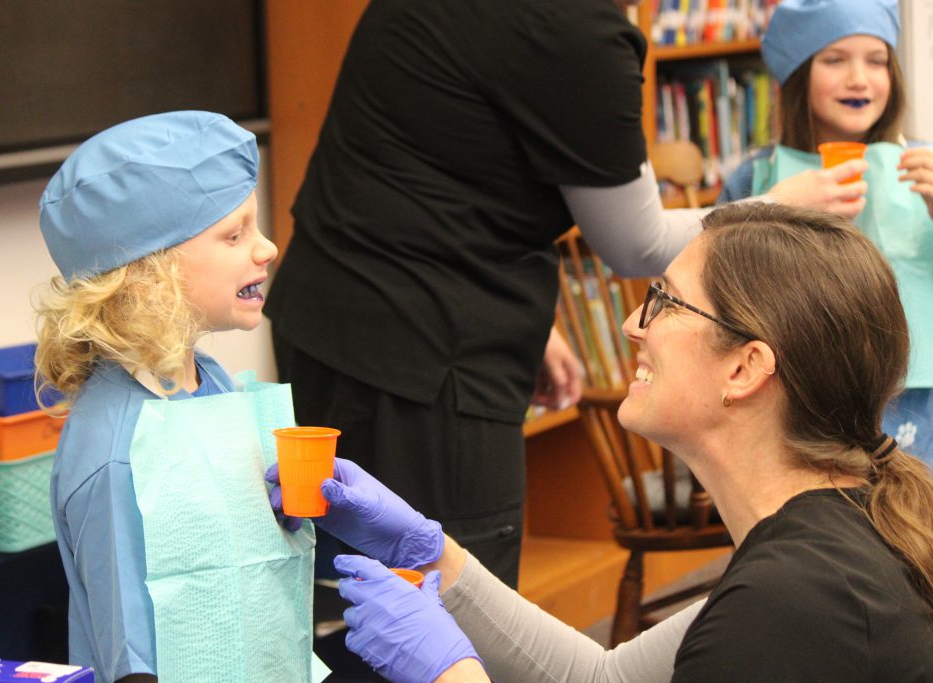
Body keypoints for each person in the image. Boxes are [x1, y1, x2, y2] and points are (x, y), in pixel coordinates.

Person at [263, 0, 867, 591]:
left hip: (330, 316)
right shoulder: (576, 35)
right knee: (435, 600)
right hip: (416, 363)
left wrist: (525, 321)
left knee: (345, 578)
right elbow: (637, 242)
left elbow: (439, 163)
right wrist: (776, 207)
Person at [269, 202, 933, 682]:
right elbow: (603, 678)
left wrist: (453, 675)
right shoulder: (839, 531)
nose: (631, 322)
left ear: (746, 367)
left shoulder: (787, 605)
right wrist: (435, 554)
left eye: (665, 302)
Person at [34, 112, 291, 682]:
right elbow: (134, 658)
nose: (267, 247)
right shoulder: (118, 452)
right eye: (234, 234)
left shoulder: (210, 380)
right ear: (150, 275)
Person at [717, 0, 933, 464]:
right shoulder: (757, 178)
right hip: (798, 398)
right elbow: (718, 281)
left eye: (876, 61)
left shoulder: (923, 163)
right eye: (835, 60)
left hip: (917, 399)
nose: (859, 77)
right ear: (798, 74)